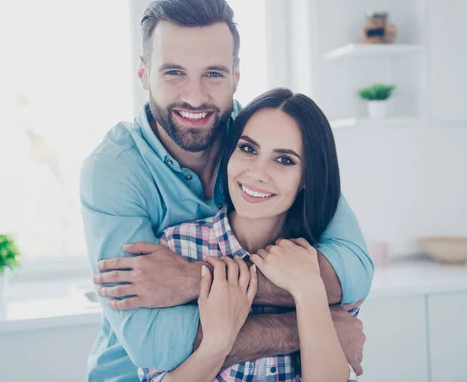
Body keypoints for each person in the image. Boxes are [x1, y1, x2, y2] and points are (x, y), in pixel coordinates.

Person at [81, 0, 373, 382]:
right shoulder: (114, 171)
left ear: (236, 75)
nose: (196, 97)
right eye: (174, 72)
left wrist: (191, 278)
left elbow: (350, 276)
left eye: (214, 74)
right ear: (142, 73)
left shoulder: (263, 133)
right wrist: (311, 325)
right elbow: (155, 343)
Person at [139, 88, 359, 381]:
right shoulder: (177, 246)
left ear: (307, 176)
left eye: (284, 160)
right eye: (248, 149)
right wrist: (217, 343)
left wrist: (309, 292)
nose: (257, 172)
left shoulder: (323, 266)